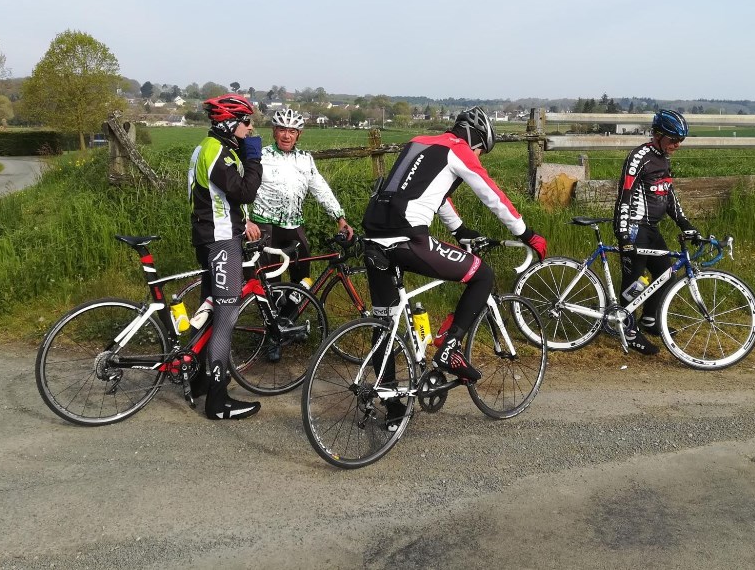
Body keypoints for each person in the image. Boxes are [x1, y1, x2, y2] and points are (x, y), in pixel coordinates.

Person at [361, 106, 548, 408]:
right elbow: (492, 195)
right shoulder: (458, 149)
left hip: (372, 237)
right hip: (408, 237)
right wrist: (526, 233)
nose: (479, 155)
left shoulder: (418, 142)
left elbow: (434, 193)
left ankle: (393, 406)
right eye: (481, 150)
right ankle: (449, 347)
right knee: (482, 274)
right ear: (477, 138)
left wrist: (460, 230)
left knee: (385, 322)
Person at [188, 94, 263, 420]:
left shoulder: (206, 149)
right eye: (247, 121)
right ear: (229, 122)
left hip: (210, 236)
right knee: (226, 317)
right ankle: (217, 401)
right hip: (220, 243)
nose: (250, 127)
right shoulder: (217, 151)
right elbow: (245, 190)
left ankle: (198, 380)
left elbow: (222, 197)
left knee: (210, 311)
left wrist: (242, 220)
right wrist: (254, 160)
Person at [613, 109, 699, 356]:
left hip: (651, 228)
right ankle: (628, 331)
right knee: (634, 284)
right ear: (658, 135)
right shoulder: (639, 157)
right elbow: (624, 196)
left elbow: (668, 195)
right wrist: (623, 235)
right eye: (673, 139)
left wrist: (685, 223)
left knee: (666, 273)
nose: (678, 145)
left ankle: (649, 320)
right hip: (633, 226)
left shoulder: (663, 158)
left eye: (680, 140)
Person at [245, 107, 354, 284]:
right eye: (282, 130)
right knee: (270, 279)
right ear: (274, 131)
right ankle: (273, 310)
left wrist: (339, 217)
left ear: (298, 134)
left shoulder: (305, 159)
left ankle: (293, 311)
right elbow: (243, 189)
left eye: (292, 131)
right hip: (265, 225)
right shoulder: (261, 156)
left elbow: (320, 189)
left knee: (303, 278)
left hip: (294, 224)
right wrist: (246, 220)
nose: (286, 136)